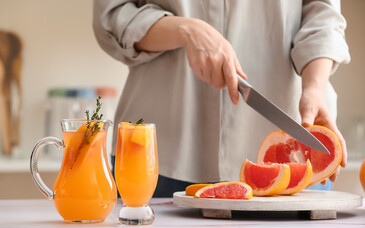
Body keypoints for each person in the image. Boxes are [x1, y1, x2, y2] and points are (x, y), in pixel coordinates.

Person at [93, 0, 350, 197]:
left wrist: (314, 87)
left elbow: (323, 13)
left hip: (291, 161)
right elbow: (113, 13)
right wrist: (186, 28)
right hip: (161, 157)